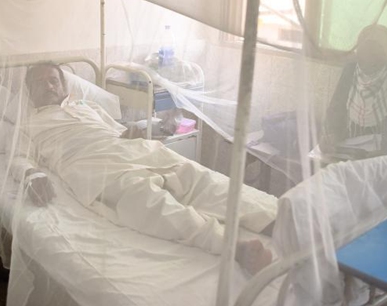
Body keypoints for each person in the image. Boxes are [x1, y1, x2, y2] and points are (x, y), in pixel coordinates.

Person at [17, 62, 275, 275]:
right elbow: (18, 157)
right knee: (145, 198)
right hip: (91, 165)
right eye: (41, 83)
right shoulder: (28, 123)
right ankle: (230, 247)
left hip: (133, 151)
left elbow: (116, 130)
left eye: (54, 80)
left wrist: (130, 131)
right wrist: (32, 175)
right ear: (30, 92)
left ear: (64, 85)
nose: (50, 86)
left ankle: (270, 221)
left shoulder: (88, 107)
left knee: (195, 175)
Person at [322, 24, 387, 159]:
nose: (369, 58)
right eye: (364, 51)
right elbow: (335, 111)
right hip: (353, 154)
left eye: (376, 52)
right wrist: (332, 136)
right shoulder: (352, 70)